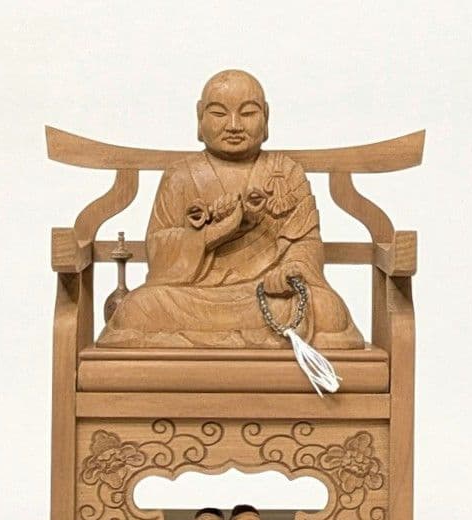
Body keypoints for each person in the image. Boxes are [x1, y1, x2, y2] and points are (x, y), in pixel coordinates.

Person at [97, 69, 363, 349]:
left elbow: (306, 243)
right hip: (196, 296)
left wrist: (290, 270)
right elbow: (159, 255)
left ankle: (207, 341)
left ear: (266, 118)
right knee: (138, 308)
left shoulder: (285, 172)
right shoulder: (181, 175)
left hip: (265, 295)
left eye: (247, 113)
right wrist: (216, 231)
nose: (234, 125)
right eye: (219, 113)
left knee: (327, 309)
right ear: (200, 118)